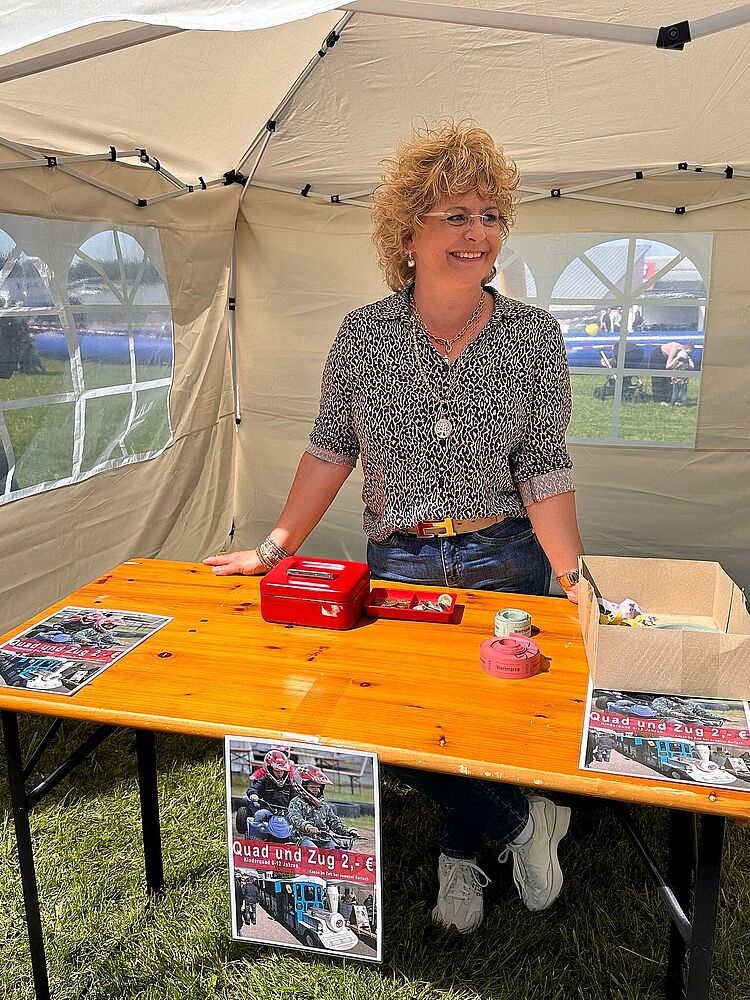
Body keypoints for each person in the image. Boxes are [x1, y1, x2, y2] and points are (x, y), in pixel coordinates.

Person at [205, 121, 584, 933]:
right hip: (401, 561)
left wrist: (577, 578)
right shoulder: (363, 336)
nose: (478, 232)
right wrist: (273, 549)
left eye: (489, 215)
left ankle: (458, 855)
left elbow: (542, 466)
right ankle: (525, 825)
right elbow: (330, 449)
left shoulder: (533, 336)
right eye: (456, 215)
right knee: (396, 726)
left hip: (505, 556)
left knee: (484, 724)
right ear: (407, 234)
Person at [287, 764, 358, 849]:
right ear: (303, 786)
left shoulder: (324, 805)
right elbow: (295, 818)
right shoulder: (296, 802)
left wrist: (348, 831)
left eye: (318, 787)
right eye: (312, 787)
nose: (316, 790)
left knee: (337, 852)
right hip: (303, 838)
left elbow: (334, 822)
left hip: (324, 840)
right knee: (313, 850)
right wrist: (307, 826)